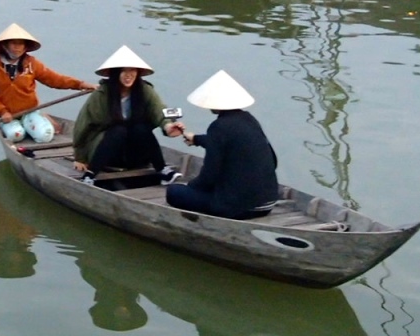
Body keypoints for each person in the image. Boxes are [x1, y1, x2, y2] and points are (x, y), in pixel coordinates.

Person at [166, 70, 279, 220]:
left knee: (174, 192)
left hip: (242, 207)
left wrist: (191, 187)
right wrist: (197, 139)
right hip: (268, 202)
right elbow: (273, 160)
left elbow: (209, 175)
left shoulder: (218, 127)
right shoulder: (250, 120)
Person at [72, 45, 185, 186]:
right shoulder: (101, 94)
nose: (128, 75)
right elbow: (84, 125)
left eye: (132, 70)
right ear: (115, 73)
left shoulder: (145, 90)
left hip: (134, 154)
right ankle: (91, 175)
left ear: (138, 72)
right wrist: (80, 157)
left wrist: (168, 127)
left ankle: (163, 170)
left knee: (141, 129)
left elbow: (159, 111)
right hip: (106, 152)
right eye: (123, 71)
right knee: (118, 130)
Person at [0, 23, 95, 144]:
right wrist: (2, 111)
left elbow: (55, 79)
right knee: (16, 135)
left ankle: (39, 119)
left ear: (25, 47)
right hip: (7, 116)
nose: (17, 47)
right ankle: (23, 127)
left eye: (21, 44)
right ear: (5, 45)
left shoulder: (31, 64)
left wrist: (81, 85)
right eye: (14, 43)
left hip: (28, 112)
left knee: (45, 136)